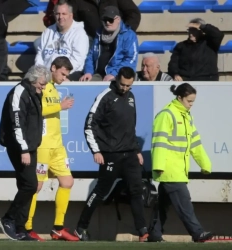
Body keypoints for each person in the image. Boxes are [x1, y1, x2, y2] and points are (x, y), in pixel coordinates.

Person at [74, 67, 149, 242]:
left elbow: (131, 127)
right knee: (100, 191)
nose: (124, 88)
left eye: (128, 85)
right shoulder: (105, 96)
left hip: (130, 154)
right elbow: (89, 125)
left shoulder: (131, 97)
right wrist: (96, 150)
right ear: (116, 80)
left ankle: (142, 231)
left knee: (137, 191)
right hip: (110, 154)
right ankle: (81, 227)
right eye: (122, 84)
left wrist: (136, 150)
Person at [148, 83, 213, 242]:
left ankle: (155, 234)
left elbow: (195, 143)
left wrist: (205, 164)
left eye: (193, 101)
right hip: (170, 170)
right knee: (185, 204)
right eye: (189, 101)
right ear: (179, 98)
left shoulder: (186, 116)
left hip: (176, 169)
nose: (191, 105)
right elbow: (159, 142)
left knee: (163, 207)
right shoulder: (167, 114)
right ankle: (197, 233)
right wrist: (158, 166)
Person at [25, 56, 79, 241]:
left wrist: (58, 104)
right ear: (53, 68)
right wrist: (60, 106)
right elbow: (36, 109)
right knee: (37, 185)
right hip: (43, 146)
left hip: (57, 146)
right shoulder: (41, 86)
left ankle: (58, 228)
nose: (64, 78)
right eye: (62, 73)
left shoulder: (54, 89)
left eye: (66, 75)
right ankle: (27, 227)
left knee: (67, 182)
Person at [0, 65, 50, 241]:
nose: (43, 87)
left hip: (30, 146)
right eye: (42, 83)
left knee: (27, 186)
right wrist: (24, 149)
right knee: (30, 185)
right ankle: (8, 218)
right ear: (32, 79)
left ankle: (21, 228)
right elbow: (16, 124)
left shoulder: (35, 93)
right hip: (20, 147)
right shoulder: (19, 92)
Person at [80, 6, 138, 82]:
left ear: (118, 19)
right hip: (99, 74)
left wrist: (114, 74)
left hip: (119, 75)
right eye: (105, 20)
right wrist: (88, 72)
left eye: (110, 20)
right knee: (85, 83)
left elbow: (131, 59)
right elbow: (91, 56)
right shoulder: (99, 33)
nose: (107, 23)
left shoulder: (129, 35)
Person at [35, 0, 89, 81]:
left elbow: (77, 61)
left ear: (71, 15)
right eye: (57, 14)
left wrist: (60, 74)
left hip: (69, 75)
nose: (60, 17)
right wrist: (41, 74)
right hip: (46, 76)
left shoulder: (79, 33)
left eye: (64, 14)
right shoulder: (48, 32)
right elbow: (40, 55)